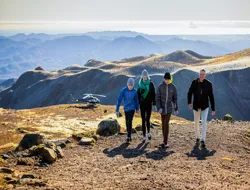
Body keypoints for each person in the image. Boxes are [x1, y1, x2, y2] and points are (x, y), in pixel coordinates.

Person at [187, 69, 215, 148]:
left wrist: (213, 109)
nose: (201, 76)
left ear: (205, 75)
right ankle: (198, 137)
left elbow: (211, 96)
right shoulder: (194, 82)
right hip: (196, 107)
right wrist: (189, 103)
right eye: (200, 74)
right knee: (196, 123)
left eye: (203, 74)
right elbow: (189, 93)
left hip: (205, 107)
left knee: (203, 123)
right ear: (199, 74)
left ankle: (203, 140)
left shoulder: (209, 84)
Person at [156, 72, 178, 148]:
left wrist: (175, 108)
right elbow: (157, 98)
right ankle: (164, 140)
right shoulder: (160, 87)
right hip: (162, 109)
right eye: (165, 79)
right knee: (163, 124)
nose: (167, 81)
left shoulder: (173, 87)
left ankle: (165, 141)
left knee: (166, 123)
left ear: (170, 79)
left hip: (169, 109)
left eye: (168, 79)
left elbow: (175, 99)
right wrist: (159, 108)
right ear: (164, 79)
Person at [116, 78, 139, 143]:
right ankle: (129, 136)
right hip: (126, 109)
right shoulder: (124, 90)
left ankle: (128, 136)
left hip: (132, 108)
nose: (130, 86)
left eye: (131, 85)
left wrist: (137, 109)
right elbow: (119, 99)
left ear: (133, 85)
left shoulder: (135, 91)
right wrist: (117, 109)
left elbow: (136, 101)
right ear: (127, 84)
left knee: (129, 121)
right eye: (129, 85)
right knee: (127, 122)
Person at [137, 69, 156, 142]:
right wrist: (138, 103)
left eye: (146, 77)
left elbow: (154, 94)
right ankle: (144, 135)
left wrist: (154, 103)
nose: (145, 78)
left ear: (147, 76)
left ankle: (149, 133)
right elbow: (137, 94)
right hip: (142, 104)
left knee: (147, 119)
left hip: (149, 104)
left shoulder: (151, 83)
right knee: (142, 120)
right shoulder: (139, 84)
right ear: (142, 77)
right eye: (143, 77)